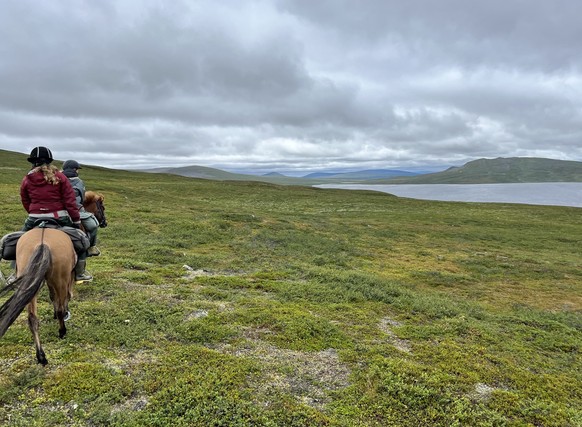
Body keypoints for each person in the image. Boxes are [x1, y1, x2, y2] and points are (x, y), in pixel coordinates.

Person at [19, 147, 93, 282]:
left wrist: (33, 212)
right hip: (59, 217)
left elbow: (25, 200)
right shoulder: (60, 177)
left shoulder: (27, 178)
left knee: (19, 242)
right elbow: (69, 201)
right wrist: (76, 220)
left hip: (34, 218)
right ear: (49, 161)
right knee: (81, 241)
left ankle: (16, 274)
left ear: (32, 162)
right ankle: (80, 273)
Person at [61, 160, 101, 257]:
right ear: (74, 169)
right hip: (75, 210)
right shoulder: (78, 181)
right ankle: (91, 247)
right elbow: (82, 198)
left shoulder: (56, 178)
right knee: (93, 225)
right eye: (77, 169)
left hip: (55, 209)